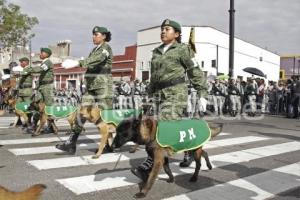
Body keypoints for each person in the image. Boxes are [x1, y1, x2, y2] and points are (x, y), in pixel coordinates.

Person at [131, 19, 207, 181]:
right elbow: (153, 77)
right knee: (158, 125)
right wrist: (148, 95)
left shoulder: (183, 50)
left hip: (175, 93)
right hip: (158, 94)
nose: (163, 31)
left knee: (162, 126)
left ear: (177, 34)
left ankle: (149, 164)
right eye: (162, 29)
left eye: (167, 29)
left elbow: (194, 71)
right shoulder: (156, 51)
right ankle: (188, 149)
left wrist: (202, 93)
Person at [55, 26, 113, 154]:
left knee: (105, 117)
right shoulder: (94, 49)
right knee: (82, 113)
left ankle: (109, 144)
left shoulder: (105, 49)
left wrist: (78, 62)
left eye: (96, 34)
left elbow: (96, 60)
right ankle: (71, 143)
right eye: (93, 34)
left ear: (104, 36)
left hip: (103, 87)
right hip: (91, 87)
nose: (93, 36)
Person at [31, 48, 55, 136]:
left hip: (47, 86)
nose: (40, 54)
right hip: (42, 86)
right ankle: (35, 124)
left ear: (47, 54)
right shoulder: (44, 62)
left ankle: (51, 126)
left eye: (42, 53)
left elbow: (40, 69)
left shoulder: (48, 62)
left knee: (48, 106)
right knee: (38, 105)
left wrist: (29, 69)